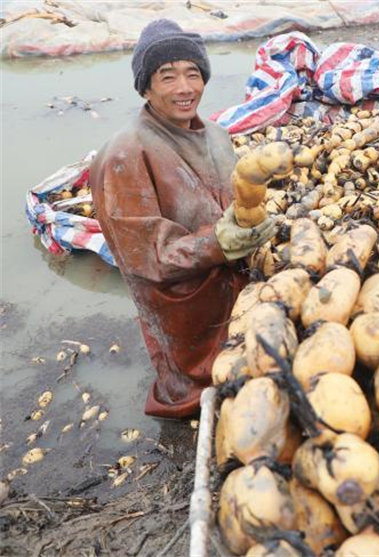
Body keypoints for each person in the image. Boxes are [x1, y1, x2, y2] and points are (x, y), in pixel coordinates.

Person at [90, 19, 276, 418]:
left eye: (193, 73)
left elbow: (235, 204)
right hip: (183, 311)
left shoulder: (216, 135)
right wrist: (220, 242)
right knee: (197, 393)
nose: (184, 88)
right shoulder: (125, 155)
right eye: (167, 76)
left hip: (236, 290)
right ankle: (183, 399)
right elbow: (146, 258)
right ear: (145, 86)